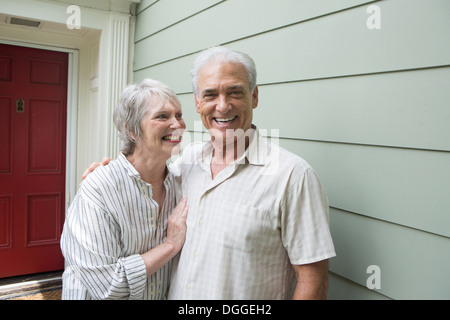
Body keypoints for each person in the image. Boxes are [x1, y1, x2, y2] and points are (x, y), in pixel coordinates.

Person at [83, 46, 336, 299]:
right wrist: (110, 171)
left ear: (254, 96)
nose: (223, 106)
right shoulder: (187, 162)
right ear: (198, 102)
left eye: (235, 92)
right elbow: (146, 175)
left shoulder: (292, 176)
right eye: (210, 95)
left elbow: (313, 281)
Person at [60, 79, 189, 300]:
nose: (177, 124)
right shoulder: (98, 189)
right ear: (132, 130)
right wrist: (170, 245)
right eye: (162, 116)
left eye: (178, 115)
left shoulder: (182, 181)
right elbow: (108, 286)